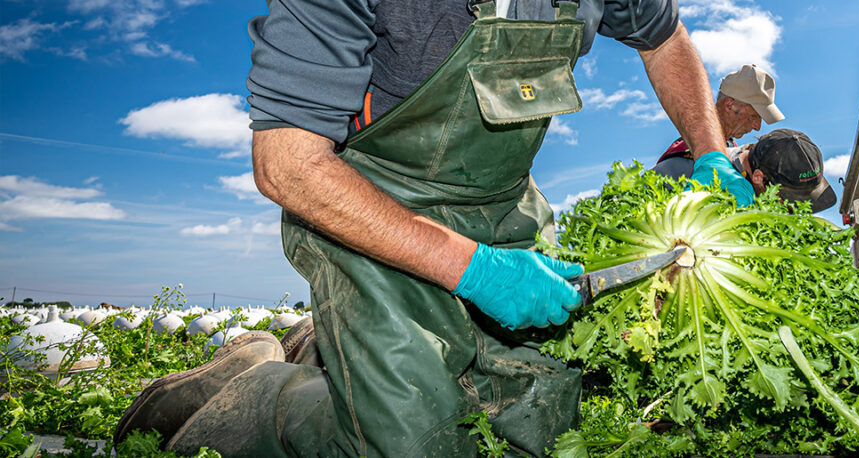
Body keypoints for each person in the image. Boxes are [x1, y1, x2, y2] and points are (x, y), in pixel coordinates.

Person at [113, 0, 753, 456]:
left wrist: (711, 150)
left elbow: (665, 37)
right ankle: (256, 387)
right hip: (373, 212)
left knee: (538, 423)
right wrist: (472, 268)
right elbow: (286, 164)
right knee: (411, 443)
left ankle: (327, 346)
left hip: (503, 204)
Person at [653, 64, 784, 206]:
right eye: (754, 117)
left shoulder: (732, 148)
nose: (757, 127)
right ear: (730, 106)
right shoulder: (690, 155)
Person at [654, 128, 838, 212]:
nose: (789, 209)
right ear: (758, 178)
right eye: (786, 200)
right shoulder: (681, 172)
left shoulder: (754, 180)